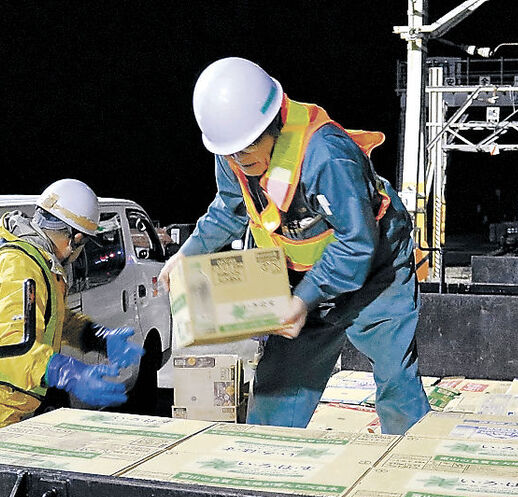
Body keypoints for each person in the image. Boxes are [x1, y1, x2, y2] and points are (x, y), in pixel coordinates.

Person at [158, 57, 430, 435]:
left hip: (376, 268)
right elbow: (229, 209)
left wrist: (302, 300)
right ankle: (264, 470)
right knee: (278, 387)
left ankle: (407, 469)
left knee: (395, 377)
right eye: (231, 151)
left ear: (274, 125)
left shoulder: (328, 156)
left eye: (249, 146)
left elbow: (357, 243)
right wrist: (186, 253)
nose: (241, 159)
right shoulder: (233, 155)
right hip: (302, 274)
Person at [0, 179, 143, 433]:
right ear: (76, 237)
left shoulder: (34, 258)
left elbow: (49, 317)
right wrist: (71, 374)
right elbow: (15, 350)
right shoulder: (21, 266)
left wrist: (97, 339)